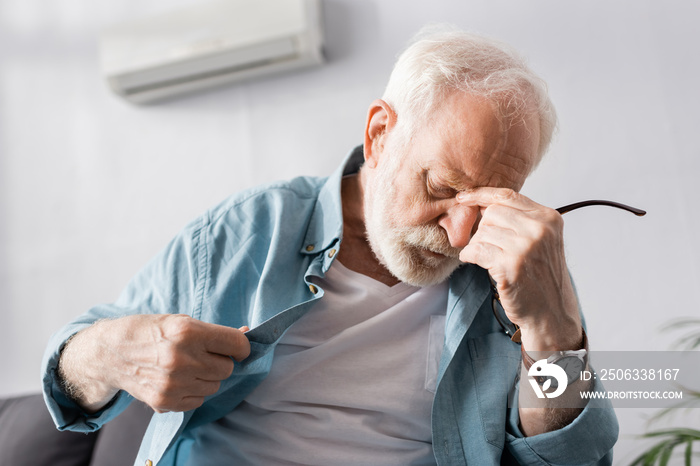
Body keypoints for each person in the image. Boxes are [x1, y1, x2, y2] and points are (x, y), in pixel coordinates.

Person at [43, 25, 618, 465]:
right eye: (442, 188)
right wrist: (114, 351)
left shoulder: (522, 274)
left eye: (491, 203)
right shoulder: (244, 233)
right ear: (379, 135)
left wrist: (552, 335)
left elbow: (571, 459)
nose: (462, 235)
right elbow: (70, 372)